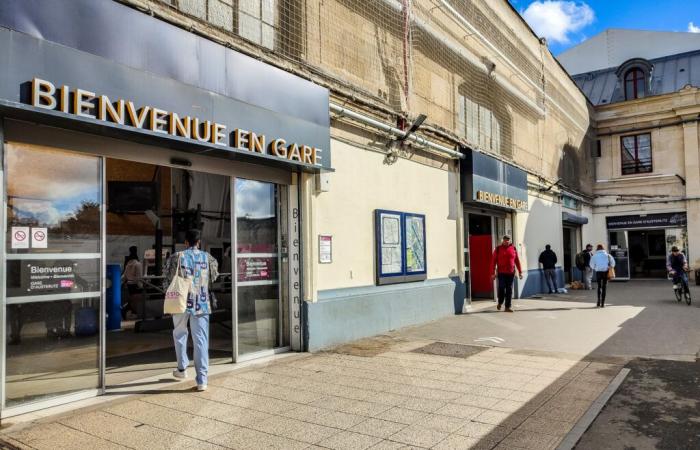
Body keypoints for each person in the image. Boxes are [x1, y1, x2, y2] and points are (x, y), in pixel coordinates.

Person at [164, 229, 219, 391]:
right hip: (201, 302)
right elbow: (214, 276)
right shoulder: (208, 257)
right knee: (201, 339)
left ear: (186, 242)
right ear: (199, 242)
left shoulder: (177, 257)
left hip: (180, 301)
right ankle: (202, 379)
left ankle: (182, 369)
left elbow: (167, 277)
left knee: (180, 333)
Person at [490, 234, 523, 312]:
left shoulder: (513, 248)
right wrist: (493, 273)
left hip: (511, 273)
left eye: (508, 240)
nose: (507, 241)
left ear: (510, 240)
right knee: (501, 288)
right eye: (505, 240)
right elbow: (493, 262)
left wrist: (520, 272)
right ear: (503, 240)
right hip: (501, 273)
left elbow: (517, 261)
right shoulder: (498, 249)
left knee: (509, 289)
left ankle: (507, 307)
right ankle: (500, 302)